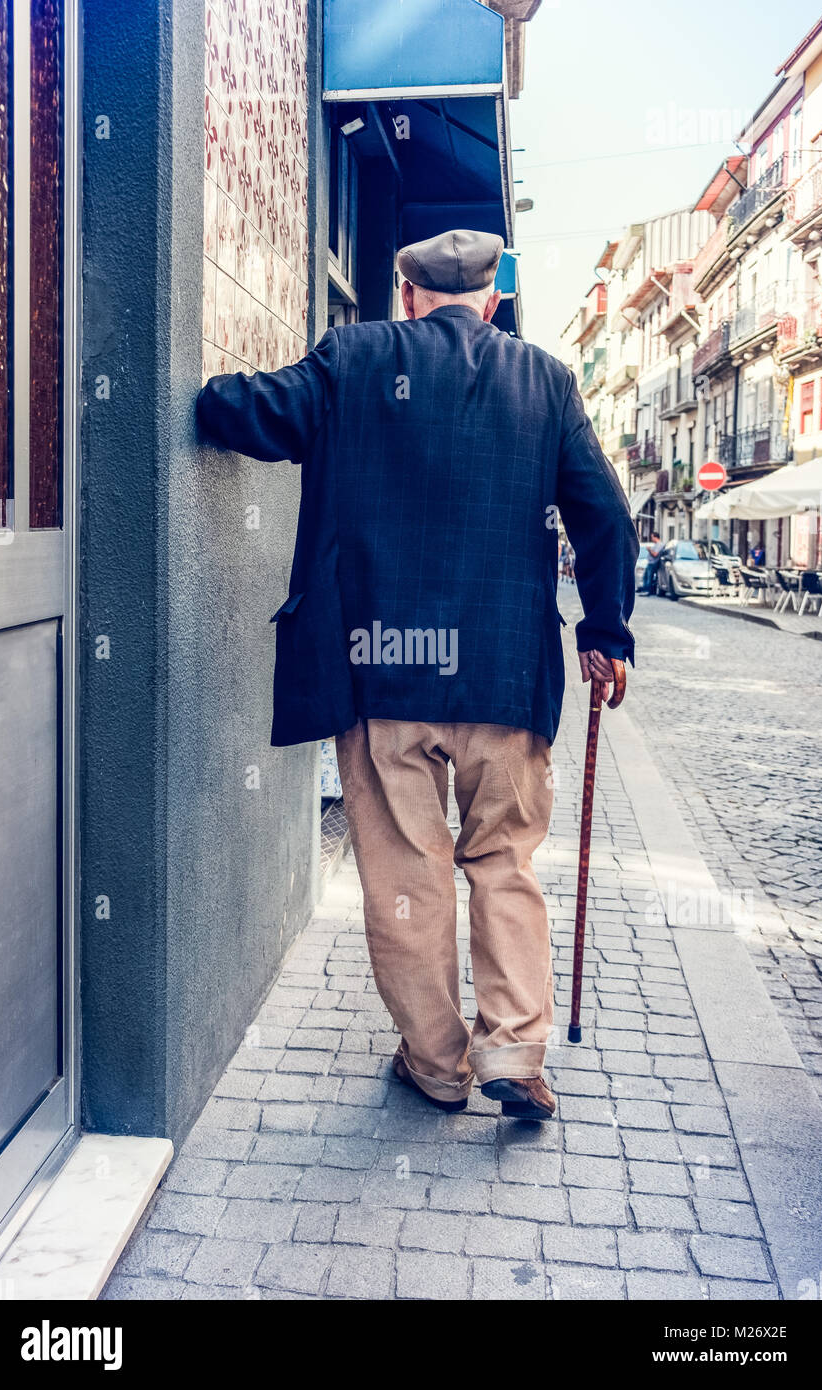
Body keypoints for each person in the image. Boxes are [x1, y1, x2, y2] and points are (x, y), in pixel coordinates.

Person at [196, 228, 638, 1123]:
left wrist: (204, 384)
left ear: (406, 295)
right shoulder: (546, 381)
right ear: (494, 302)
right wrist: (606, 633)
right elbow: (606, 519)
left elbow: (251, 414)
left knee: (408, 869)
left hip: (381, 674)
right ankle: (515, 1049)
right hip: (506, 680)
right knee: (504, 862)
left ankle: (437, 1066)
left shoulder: (353, 359)